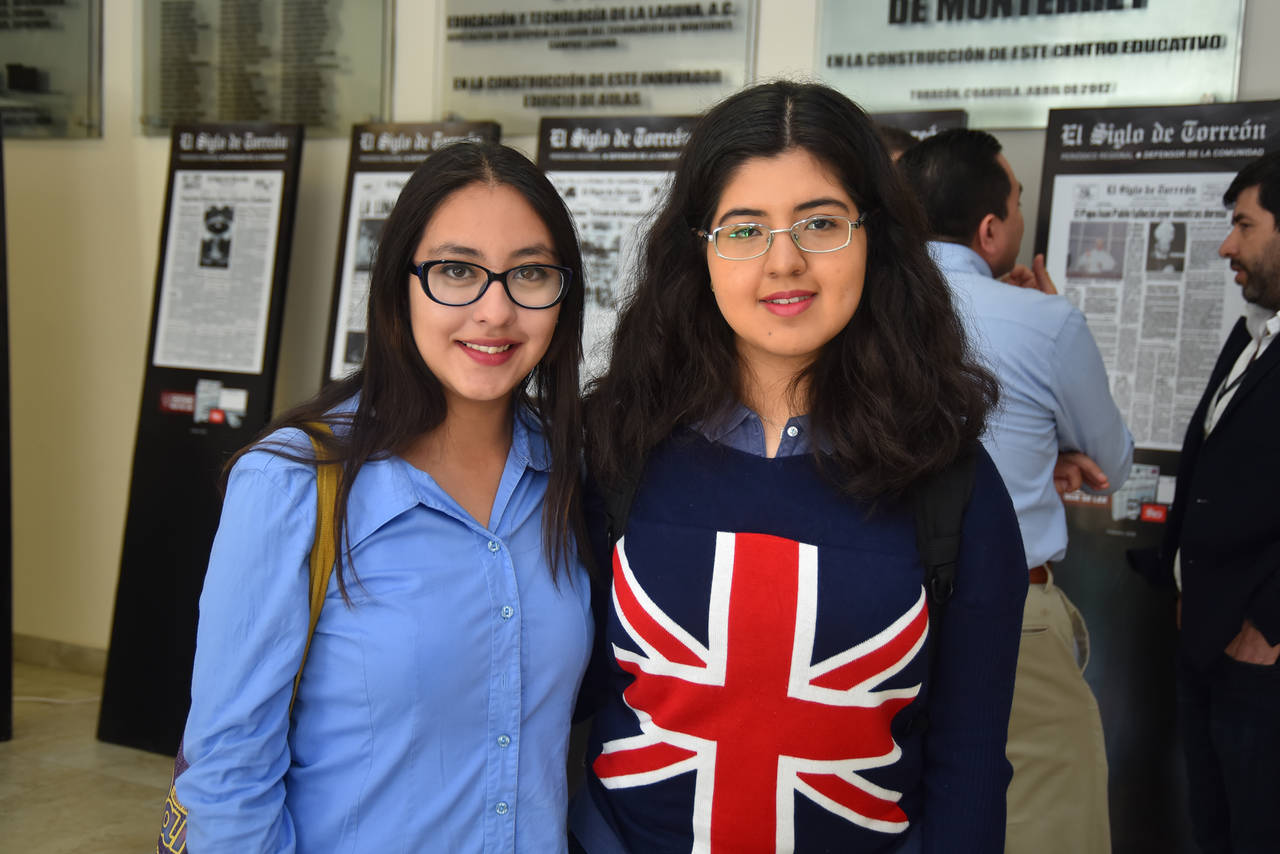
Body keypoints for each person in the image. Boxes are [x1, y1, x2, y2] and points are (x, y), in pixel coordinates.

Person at [570, 81, 1027, 853]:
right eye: (745, 229)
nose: (784, 261)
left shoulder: (952, 482)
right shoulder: (616, 445)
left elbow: (971, 764)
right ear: (698, 249)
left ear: (875, 237)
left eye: (820, 222)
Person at [176, 142, 594, 852]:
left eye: (529, 272)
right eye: (456, 271)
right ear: (399, 286)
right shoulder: (292, 482)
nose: (495, 311)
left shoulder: (570, 472)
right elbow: (227, 775)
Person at [900, 129, 1133, 854]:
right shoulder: (1044, 320)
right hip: (1011, 620)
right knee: (1047, 820)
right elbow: (1112, 461)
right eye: (1018, 201)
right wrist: (1050, 450)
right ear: (990, 230)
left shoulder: (854, 314)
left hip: (874, 616)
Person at [1159, 150, 1280, 853]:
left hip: (1259, 654)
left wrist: (1270, 623)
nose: (1226, 245)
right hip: (1207, 640)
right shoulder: (1253, 333)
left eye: (1245, 225)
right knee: (1214, 829)